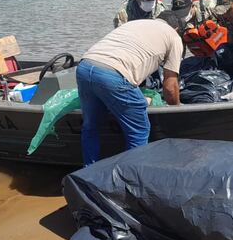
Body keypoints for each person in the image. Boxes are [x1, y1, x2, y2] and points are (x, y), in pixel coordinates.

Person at [77, 11, 185, 165]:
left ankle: (87, 173)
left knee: (90, 126)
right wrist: (177, 111)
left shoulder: (135, 23)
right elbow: (170, 87)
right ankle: (131, 179)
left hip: (85, 67)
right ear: (176, 28)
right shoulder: (173, 37)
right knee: (139, 131)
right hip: (113, 75)